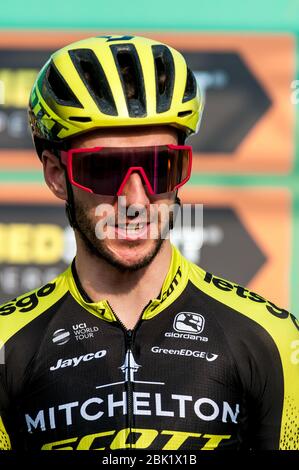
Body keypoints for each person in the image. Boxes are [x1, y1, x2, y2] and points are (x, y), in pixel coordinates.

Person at [0, 35, 298, 451]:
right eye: (104, 169)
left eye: (161, 167)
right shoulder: (7, 345)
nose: (135, 202)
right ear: (55, 175)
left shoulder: (271, 338)